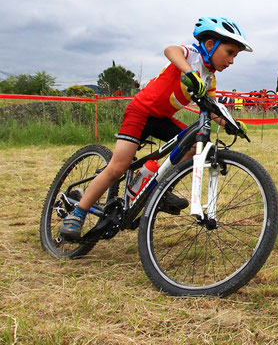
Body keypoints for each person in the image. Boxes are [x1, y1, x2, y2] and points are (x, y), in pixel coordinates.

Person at [59, 16, 251, 240]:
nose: (232, 61)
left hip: (161, 118)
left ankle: (160, 186)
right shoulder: (193, 55)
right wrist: (189, 73)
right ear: (210, 45)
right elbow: (171, 50)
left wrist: (230, 123)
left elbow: (211, 107)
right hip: (140, 111)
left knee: (192, 145)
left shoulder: (210, 79)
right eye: (230, 53)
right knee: (118, 167)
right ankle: (78, 213)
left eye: (235, 56)